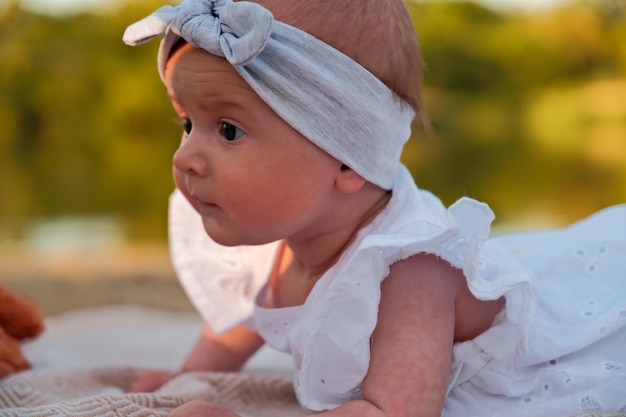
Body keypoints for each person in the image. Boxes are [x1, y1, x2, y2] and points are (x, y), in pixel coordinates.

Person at [122, 0, 626, 416]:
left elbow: (392, 412)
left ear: (348, 159)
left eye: (228, 130)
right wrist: (189, 375)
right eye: (187, 123)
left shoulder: (410, 272)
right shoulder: (279, 244)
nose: (186, 156)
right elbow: (240, 319)